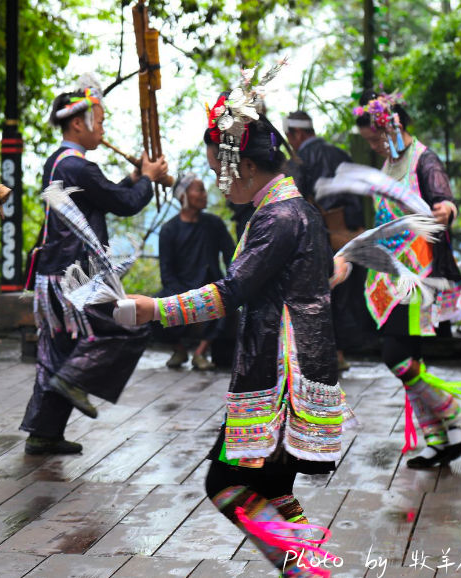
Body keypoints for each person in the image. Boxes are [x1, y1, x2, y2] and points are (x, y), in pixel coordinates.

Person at [126, 91, 353, 576]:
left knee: (225, 484)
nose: (214, 179)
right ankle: (306, 567)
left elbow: (231, 291)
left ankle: (304, 569)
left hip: (280, 377)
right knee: (274, 488)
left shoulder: (277, 216)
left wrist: (154, 309)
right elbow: (307, 279)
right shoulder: (300, 211)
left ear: (245, 166)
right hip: (296, 368)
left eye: (218, 169)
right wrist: (336, 271)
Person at [20, 78, 169, 455]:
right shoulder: (80, 168)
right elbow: (123, 203)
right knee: (122, 330)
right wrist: (148, 178)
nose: (102, 127)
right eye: (98, 119)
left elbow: (106, 196)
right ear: (77, 123)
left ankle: (44, 432)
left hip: (53, 275)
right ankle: (74, 381)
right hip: (77, 278)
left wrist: (136, 179)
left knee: (58, 351)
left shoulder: (59, 163)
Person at [354, 89, 461, 468]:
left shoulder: (423, 160)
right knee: (411, 360)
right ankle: (440, 438)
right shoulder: (388, 165)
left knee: (396, 356)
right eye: (369, 141)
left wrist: (446, 210)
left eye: (376, 138)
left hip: (420, 277)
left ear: (393, 125)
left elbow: (442, 198)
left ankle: (455, 415)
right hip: (391, 277)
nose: (375, 146)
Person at [284, 110, 368, 371]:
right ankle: (340, 354)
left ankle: (329, 355)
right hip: (351, 233)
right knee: (344, 295)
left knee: (322, 295)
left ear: (297, 133)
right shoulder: (340, 154)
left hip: (321, 238)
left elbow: (297, 199)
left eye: (289, 136)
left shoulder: (300, 159)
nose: (290, 141)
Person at [158, 172, 235, 370]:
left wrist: (234, 281)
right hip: (180, 288)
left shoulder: (214, 224)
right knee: (152, 309)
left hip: (211, 284)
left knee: (228, 304)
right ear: (184, 195)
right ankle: (180, 349)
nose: (204, 195)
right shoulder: (169, 230)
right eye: (199, 190)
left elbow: (231, 256)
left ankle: (200, 353)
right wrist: (181, 295)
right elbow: (166, 272)